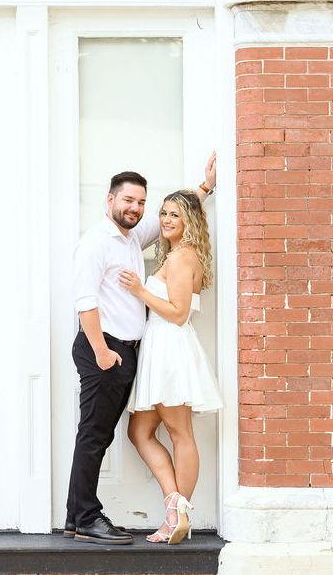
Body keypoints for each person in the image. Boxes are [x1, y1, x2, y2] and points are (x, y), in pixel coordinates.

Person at [65, 157, 215, 545]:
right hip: (105, 349)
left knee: (111, 433)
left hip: (136, 352)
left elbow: (178, 216)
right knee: (95, 435)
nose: (136, 208)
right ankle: (86, 517)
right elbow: (85, 302)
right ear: (110, 200)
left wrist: (204, 188)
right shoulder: (96, 243)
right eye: (128, 200)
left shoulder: (134, 236)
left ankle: (76, 516)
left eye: (141, 202)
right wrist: (101, 351)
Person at [119, 190, 223, 545]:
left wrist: (139, 291)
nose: (165, 220)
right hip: (159, 347)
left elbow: (178, 314)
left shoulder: (181, 257)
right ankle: (174, 503)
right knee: (140, 431)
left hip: (169, 349)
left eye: (174, 215)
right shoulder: (178, 253)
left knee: (180, 433)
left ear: (188, 221)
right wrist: (204, 187)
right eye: (163, 213)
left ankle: (179, 514)